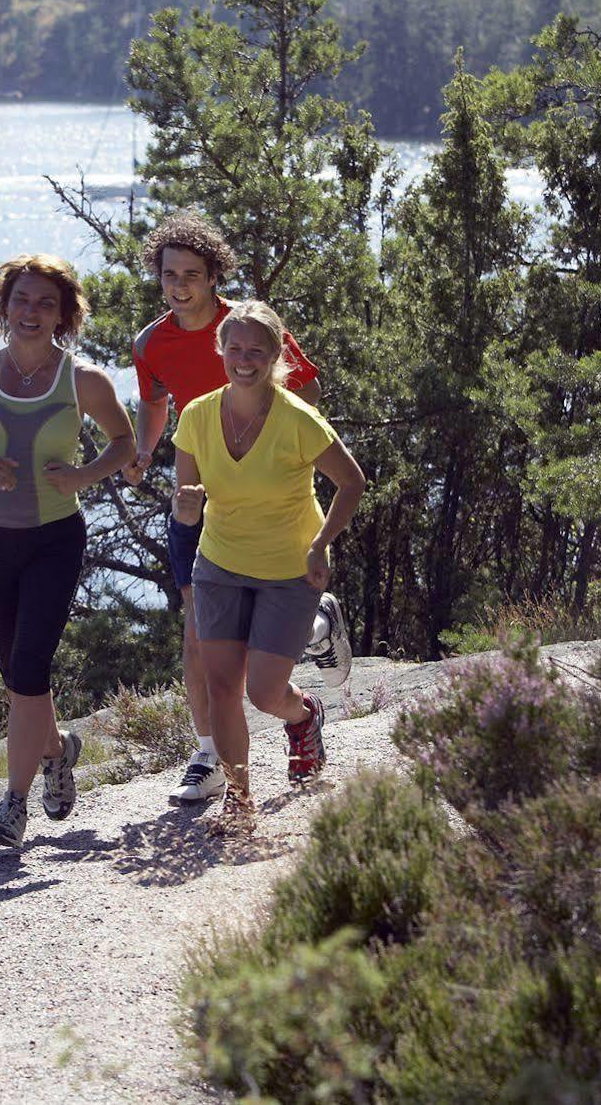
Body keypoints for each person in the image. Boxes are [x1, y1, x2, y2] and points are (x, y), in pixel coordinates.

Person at [121, 212, 349, 806]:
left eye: (191, 274)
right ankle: (213, 761)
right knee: (200, 638)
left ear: (213, 274)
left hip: (271, 510)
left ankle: (313, 628)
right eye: (168, 274)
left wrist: (269, 443)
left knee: (257, 666)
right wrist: (146, 450)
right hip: (201, 504)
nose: (178, 286)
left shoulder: (247, 326)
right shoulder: (150, 342)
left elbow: (308, 395)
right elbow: (154, 406)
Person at [0, 254, 134, 848]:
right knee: (17, 679)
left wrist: (85, 474)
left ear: (65, 314)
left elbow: (124, 442)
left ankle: (13, 807)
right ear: (4, 306)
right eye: (22, 300)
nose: (31, 312)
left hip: (53, 541)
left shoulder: (84, 380)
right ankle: (60, 750)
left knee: (31, 668)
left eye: (46, 303)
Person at [172, 300, 366, 835]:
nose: (244, 359)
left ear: (277, 355)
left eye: (256, 350)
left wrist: (322, 544)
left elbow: (352, 483)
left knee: (263, 692)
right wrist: (184, 508)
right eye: (234, 348)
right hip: (220, 563)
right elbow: (186, 497)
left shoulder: (298, 419)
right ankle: (240, 800)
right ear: (221, 351)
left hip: (289, 567)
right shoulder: (196, 416)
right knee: (221, 687)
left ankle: (303, 716)